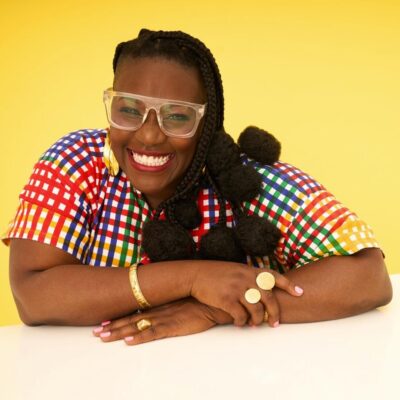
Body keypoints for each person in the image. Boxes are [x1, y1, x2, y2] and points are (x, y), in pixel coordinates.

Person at [4, 29, 392, 346]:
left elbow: (367, 276)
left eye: (177, 116)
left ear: (206, 126)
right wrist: (193, 278)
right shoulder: (77, 162)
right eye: (128, 109)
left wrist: (212, 309)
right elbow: (32, 294)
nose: (149, 135)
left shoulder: (247, 185)